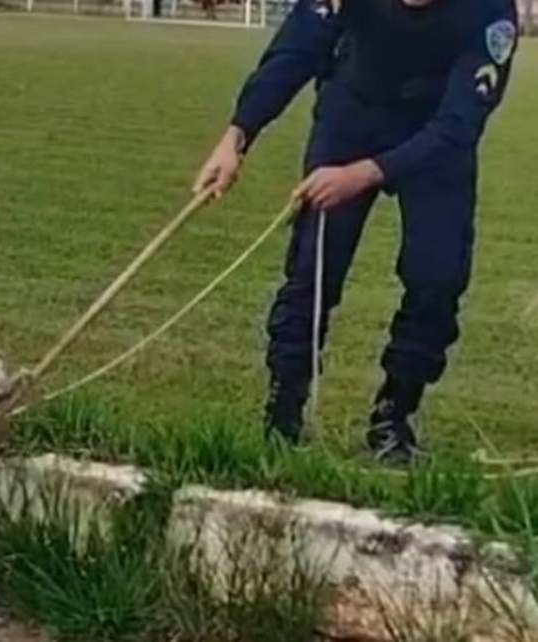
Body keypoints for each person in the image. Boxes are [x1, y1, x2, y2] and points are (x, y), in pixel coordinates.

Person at [193, 0, 519, 464]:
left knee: (438, 275)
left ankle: (394, 417)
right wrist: (237, 136)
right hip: (351, 114)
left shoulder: (489, 14)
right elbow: (296, 50)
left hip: (434, 138)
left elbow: (458, 126)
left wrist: (362, 175)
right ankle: (284, 412)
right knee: (312, 267)